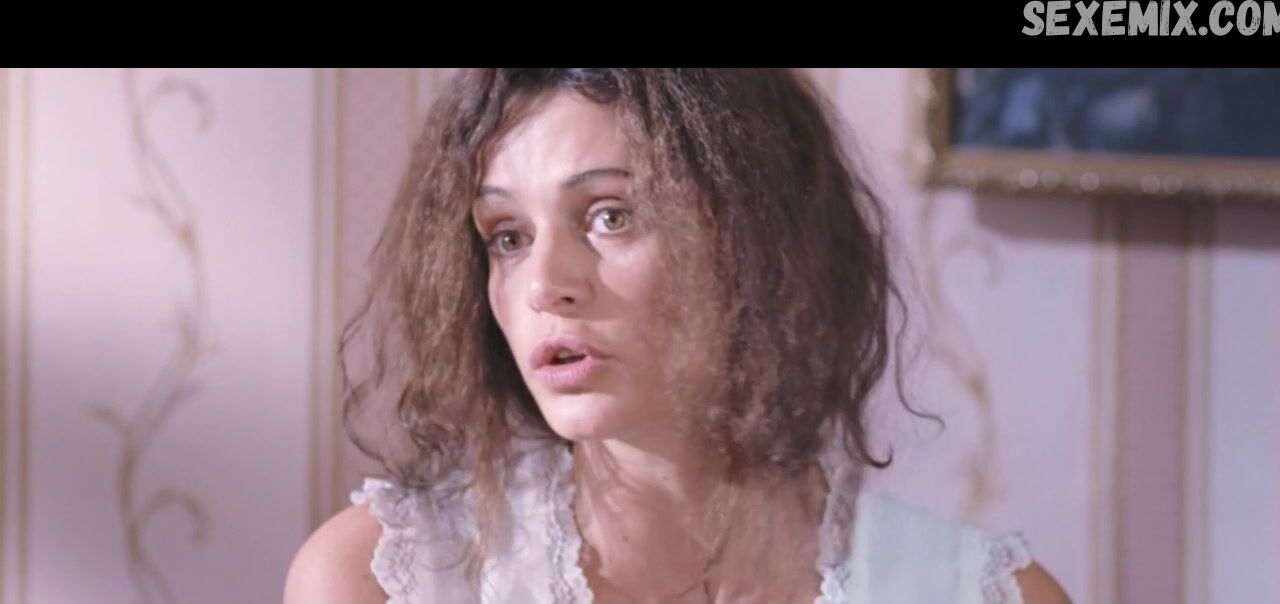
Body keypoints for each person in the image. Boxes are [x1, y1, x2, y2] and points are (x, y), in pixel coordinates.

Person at [283, 68, 1073, 604]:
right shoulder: (383, 580)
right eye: (508, 236)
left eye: (610, 216)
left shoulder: (986, 593)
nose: (543, 284)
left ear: (758, 239)